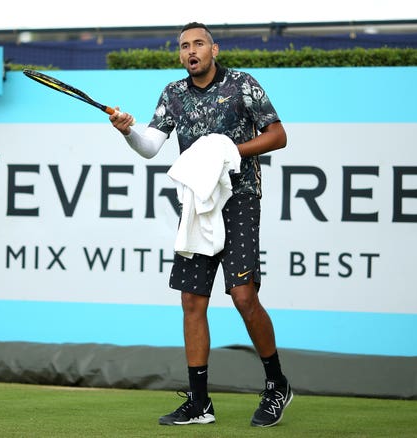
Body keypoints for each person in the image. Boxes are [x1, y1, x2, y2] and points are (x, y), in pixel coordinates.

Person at [109, 22, 292, 427]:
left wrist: (227, 153)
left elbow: (278, 135)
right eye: (184, 46)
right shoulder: (172, 94)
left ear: (214, 48)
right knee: (192, 301)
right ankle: (200, 403)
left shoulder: (243, 84)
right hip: (195, 205)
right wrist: (127, 132)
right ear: (180, 55)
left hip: (240, 198)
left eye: (198, 44)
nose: (191, 51)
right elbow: (150, 145)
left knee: (244, 296)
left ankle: (277, 384)